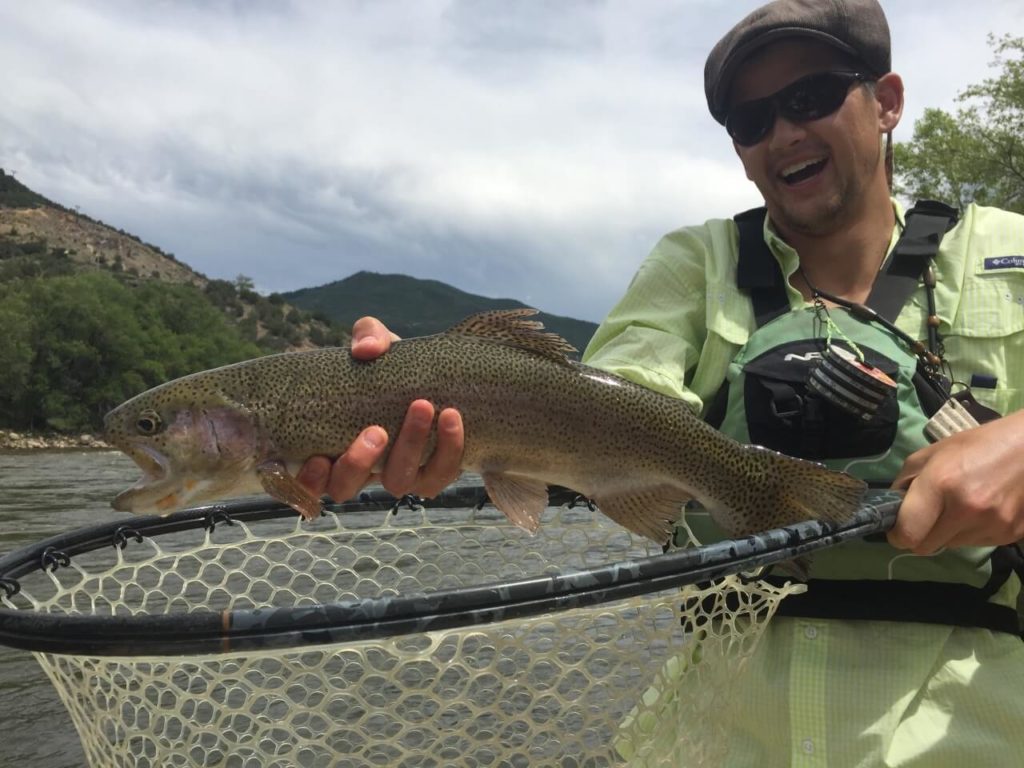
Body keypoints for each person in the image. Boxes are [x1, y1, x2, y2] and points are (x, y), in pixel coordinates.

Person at [300, 0, 1024, 763]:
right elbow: (608, 399)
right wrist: (433, 394)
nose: (782, 132)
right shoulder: (697, 264)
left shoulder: (1010, 247)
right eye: (750, 119)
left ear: (887, 102)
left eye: (810, 98)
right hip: (724, 725)